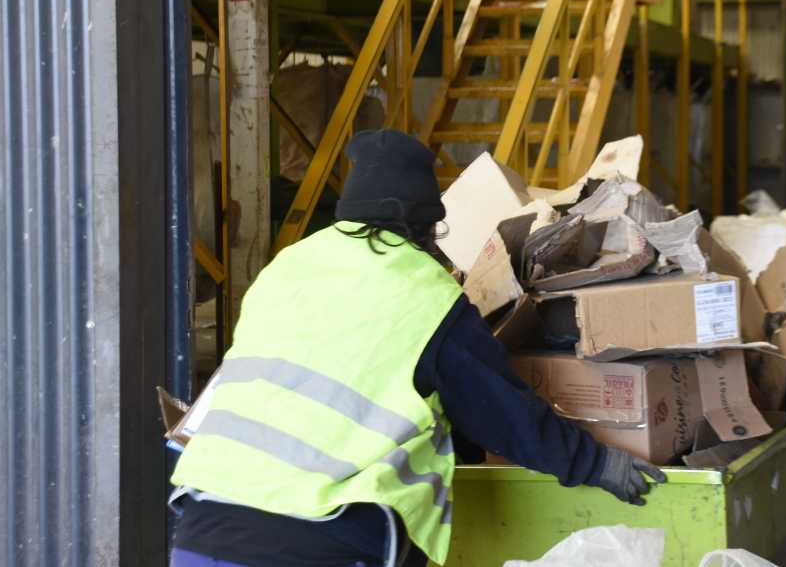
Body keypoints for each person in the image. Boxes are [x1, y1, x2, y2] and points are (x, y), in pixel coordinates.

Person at [169, 129, 666, 567]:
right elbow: (500, 410)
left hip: (201, 522)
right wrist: (595, 464)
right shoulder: (423, 294)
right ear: (422, 226)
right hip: (319, 536)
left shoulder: (286, 269)